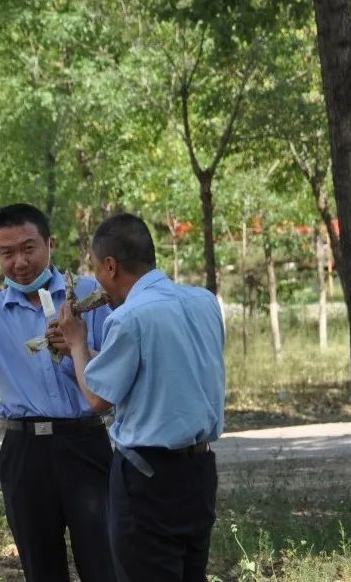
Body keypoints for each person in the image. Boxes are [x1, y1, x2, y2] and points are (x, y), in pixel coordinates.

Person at [0, 203, 116, 582]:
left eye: (29, 248)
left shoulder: (91, 295)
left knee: (104, 564)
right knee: (41, 567)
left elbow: (118, 365)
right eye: (7, 253)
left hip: (86, 445)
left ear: (50, 243)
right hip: (26, 452)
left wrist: (78, 348)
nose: (20, 262)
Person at [56, 212, 225, 582]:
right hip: (199, 471)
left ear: (111, 266)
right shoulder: (204, 302)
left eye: (98, 271)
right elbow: (153, 372)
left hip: (148, 477)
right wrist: (79, 353)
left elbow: (98, 399)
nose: (98, 282)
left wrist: (78, 342)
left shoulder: (130, 316)